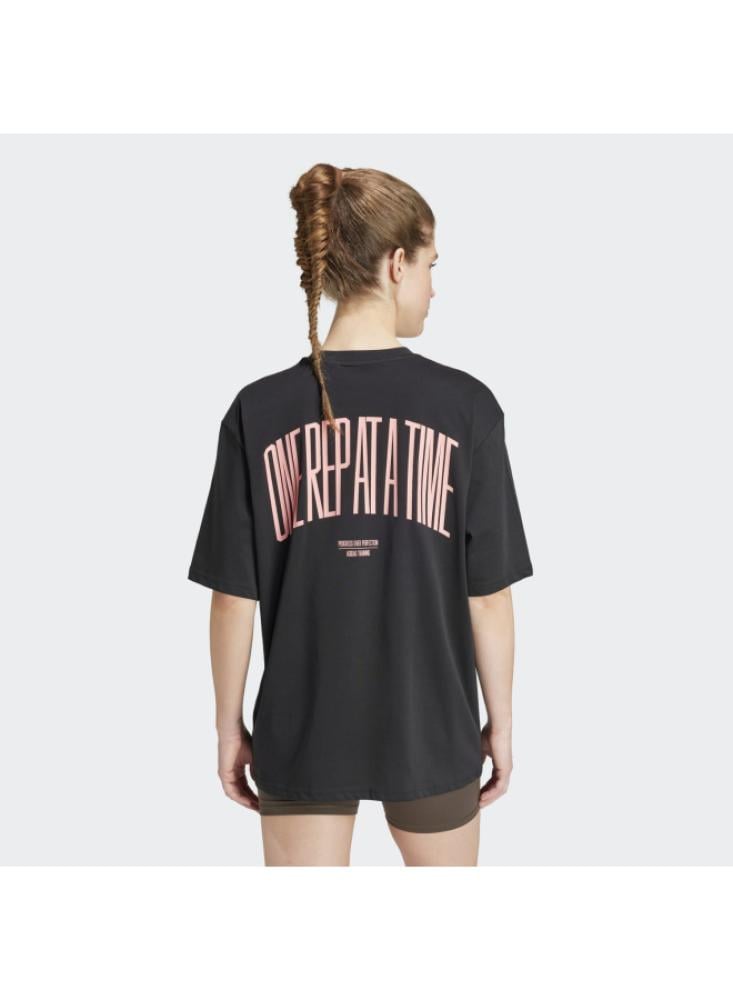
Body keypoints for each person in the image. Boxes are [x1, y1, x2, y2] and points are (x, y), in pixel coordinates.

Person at [187, 163, 534, 866]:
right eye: (432, 266)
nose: (433, 288)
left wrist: (229, 727)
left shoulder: (258, 409)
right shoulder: (466, 407)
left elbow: (232, 598)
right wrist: (499, 724)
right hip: (431, 729)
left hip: (302, 731)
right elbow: (488, 596)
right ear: (397, 263)